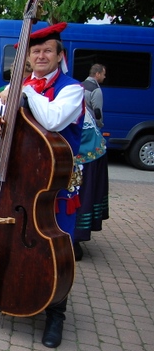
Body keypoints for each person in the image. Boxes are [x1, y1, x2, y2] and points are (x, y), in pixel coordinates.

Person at [0, 22, 84, 349]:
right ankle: (15, 291)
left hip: (50, 185)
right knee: (16, 240)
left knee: (54, 248)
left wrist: (24, 92)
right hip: (18, 180)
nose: (40, 56)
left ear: (59, 55)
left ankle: (56, 312)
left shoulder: (72, 89)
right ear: (27, 57)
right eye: (35, 51)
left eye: (47, 51)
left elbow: (53, 119)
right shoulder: (20, 86)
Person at [73, 64, 109, 261]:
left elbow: (96, 112)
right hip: (86, 143)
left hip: (86, 149)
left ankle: (74, 239)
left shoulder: (74, 87)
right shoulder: (88, 87)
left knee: (77, 191)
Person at [82, 63, 106, 129]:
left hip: (80, 124)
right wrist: (99, 125)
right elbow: (97, 112)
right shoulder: (96, 90)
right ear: (98, 74)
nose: (104, 77)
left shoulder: (79, 86)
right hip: (90, 126)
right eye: (103, 74)